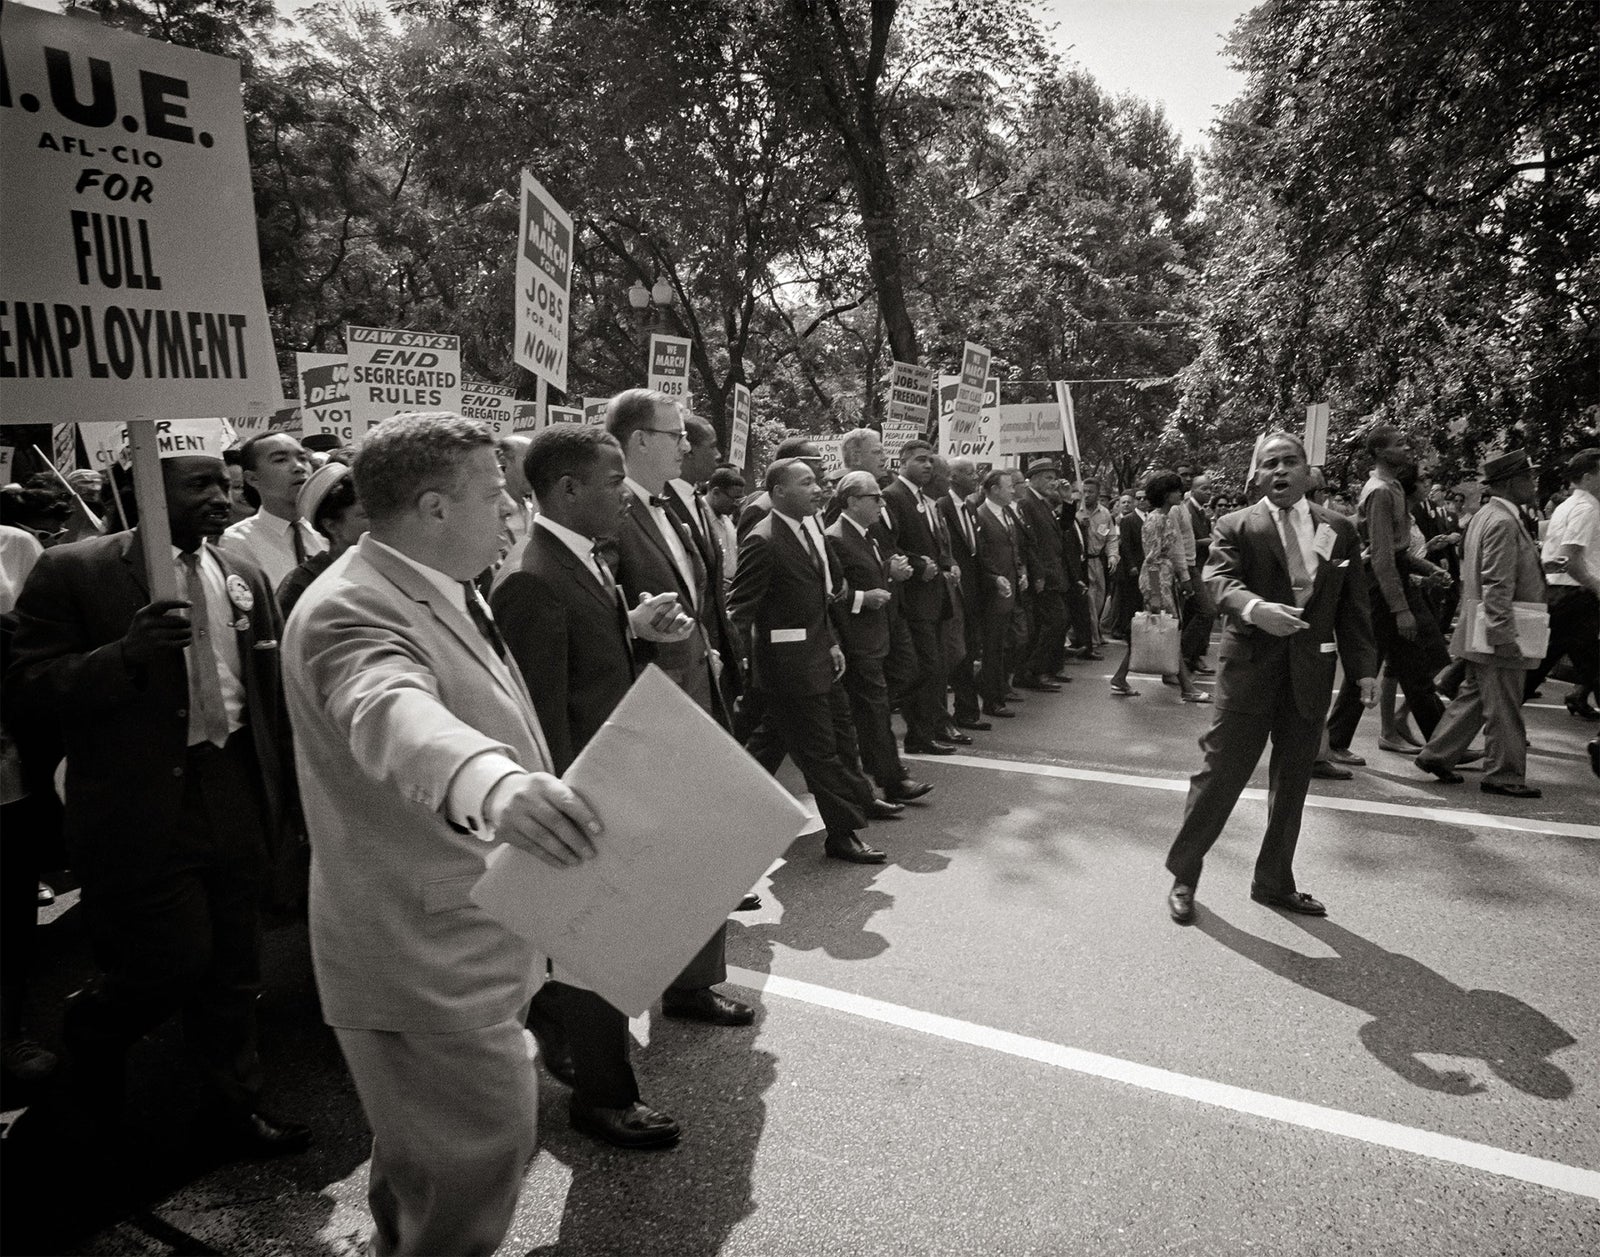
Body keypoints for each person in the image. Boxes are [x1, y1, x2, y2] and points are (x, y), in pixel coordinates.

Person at [284, 413, 603, 1255]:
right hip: (420, 957)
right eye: (497, 493)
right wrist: (494, 783)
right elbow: (389, 707)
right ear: (432, 508)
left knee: (428, 1161)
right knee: (477, 1162)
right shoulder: (349, 606)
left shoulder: (430, 582)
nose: (512, 512)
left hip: (465, 937)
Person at [7, 427, 309, 1155]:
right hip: (139, 802)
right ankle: (92, 1041)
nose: (218, 498)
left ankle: (232, 1107)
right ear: (141, 485)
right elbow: (25, 689)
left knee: (235, 966)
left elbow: (267, 698)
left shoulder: (241, 567)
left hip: (233, 786)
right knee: (171, 959)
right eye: (195, 484)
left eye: (222, 483)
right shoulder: (72, 569)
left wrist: (283, 799)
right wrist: (125, 656)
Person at [492, 424, 698, 1151]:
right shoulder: (532, 575)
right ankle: (604, 1098)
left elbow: (584, 662)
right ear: (567, 489)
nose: (626, 493)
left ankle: (571, 1038)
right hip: (583, 798)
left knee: (597, 950)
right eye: (613, 480)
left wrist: (635, 628)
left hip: (611, 784)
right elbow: (539, 720)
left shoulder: (580, 560)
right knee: (591, 950)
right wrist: (575, 813)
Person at [1164, 432, 1377, 925]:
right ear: (1256, 475)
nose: (1279, 471)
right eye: (1269, 464)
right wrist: (1256, 610)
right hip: (1249, 673)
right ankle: (1185, 873)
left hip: (1309, 674)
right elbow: (1217, 583)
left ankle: (1274, 881)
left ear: (1308, 471)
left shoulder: (1339, 530)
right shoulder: (1235, 525)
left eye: (1289, 462)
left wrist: (1364, 671)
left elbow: (1353, 606)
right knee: (1220, 776)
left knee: (1293, 782)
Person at [605, 389, 753, 1025]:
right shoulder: (608, 516)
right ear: (640, 440)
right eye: (675, 435)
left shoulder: (677, 507)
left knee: (706, 844)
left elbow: (703, 599)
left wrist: (715, 654)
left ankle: (694, 983)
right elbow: (599, 615)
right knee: (663, 856)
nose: (687, 445)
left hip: (701, 691)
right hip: (651, 710)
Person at [730, 458, 884, 863]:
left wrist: (831, 642)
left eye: (817, 482)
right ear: (780, 492)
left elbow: (816, 599)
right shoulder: (762, 540)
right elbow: (740, 611)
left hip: (819, 658)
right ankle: (842, 834)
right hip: (789, 670)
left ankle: (729, 809)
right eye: (807, 483)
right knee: (820, 752)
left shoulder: (806, 529)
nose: (818, 489)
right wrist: (739, 665)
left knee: (779, 745)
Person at [1415, 450, 1548, 797]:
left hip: (1479, 625)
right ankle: (1503, 774)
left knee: (1474, 696)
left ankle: (1438, 754)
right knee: (1504, 704)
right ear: (1510, 483)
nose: (1533, 484)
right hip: (1496, 628)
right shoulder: (1502, 521)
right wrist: (1502, 633)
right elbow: (1496, 583)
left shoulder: (1486, 517)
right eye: (1528, 478)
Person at [1324, 424, 1445, 766]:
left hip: (1391, 584)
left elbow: (1398, 551)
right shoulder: (1379, 491)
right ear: (1379, 452)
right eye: (1399, 443)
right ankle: (1334, 741)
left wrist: (1427, 569)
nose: (1407, 448)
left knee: (1416, 670)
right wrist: (1401, 608)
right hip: (1380, 590)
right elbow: (1381, 557)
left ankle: (1444, 745)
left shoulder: (1392, 488)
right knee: (1368, 665)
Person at [826, 470, 933, 805]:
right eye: (875, 497)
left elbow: (867, 574)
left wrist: (889, 572)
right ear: (853, 500)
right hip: (859, 640)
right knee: (872, 710)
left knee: (890, 692)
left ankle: (875, 758)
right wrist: (863, 598)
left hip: (879, 634)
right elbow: (832, 593)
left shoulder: (867, 535)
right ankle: (892, 779)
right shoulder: (836, 538)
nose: (881, 503)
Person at [882, 440, 958, 753]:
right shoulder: (892, 496)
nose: (928, 466)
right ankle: (918, 734)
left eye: (930, 461)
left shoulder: (923, 499)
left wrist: (946, 564)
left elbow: (933, 545)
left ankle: (923, 733)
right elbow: (889, 544)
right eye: (920, 460)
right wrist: (916, 563)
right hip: (912, 599)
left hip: (933, 597)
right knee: (924, 668)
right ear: (902, 462)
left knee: (934, 668)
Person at [1109, 470, 1210, 703]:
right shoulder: (1156, 519)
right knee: (1169, 631)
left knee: (1157, 629)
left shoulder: (1162, 517)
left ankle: (1120, 677)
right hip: (1156, 579)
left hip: (1163, 578)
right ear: (1165, 494)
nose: (1180, 493)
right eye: (1176, 490)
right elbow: (1152, 559)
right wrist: (1155, 592)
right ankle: (1187, 687)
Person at [1524, 448, 1599, 718]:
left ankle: (1493, 721)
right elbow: (1571, 557)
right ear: (1589, 477)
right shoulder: (1587, 508)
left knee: (1536, 667)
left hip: (1559, 592)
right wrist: (1596, 586)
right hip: (1576, 595)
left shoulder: (1567, 505)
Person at [219, 432, 325, 589]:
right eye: (281, 460)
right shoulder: (235, 543)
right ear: (252, 478)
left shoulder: (330, 532)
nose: (299, 467)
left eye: (303, 459)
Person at [276, 461, 370, 618]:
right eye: (366, 515)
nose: (379, 521)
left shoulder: (388, 569)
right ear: (331, 526)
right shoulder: (302, 584)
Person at [939, 457, 989, 731]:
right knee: (956, 654)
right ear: (953, 477)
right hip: (952, 592)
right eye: (969, 473)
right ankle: (956, 712)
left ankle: (967, 711)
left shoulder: (969, 507)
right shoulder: (942, 506)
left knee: (969, 652)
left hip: (971, 592)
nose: (976, 477)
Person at [973, 469, 1024, 719]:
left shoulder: (1008, 512)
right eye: (1008, 486)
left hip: (1010, 587)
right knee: (993, 647)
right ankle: (992, 699)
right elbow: (982, 554)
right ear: (994, 489)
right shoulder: (981, 515)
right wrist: (995, 578)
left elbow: (1013, 547)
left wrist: (1020, 570)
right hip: (994, 592)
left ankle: (992, 685)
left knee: (1006, 643)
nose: (1013, 490)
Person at [1014, 459, 1069, 689]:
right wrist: (1038, 573)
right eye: (1047, 477)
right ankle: (1032, 671)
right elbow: (1030, 543)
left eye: (1054, 477)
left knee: (1055, 621)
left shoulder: (1044, 503)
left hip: (1054, 573)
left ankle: (1043, 668)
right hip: (1043, 574)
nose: (1053, 482)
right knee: (1055, 620)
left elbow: (1062, 530)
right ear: (1032, 479)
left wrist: (1067, 500)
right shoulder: (1027, 503)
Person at [736, 435, 822, 537]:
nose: (823, 467)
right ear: (794, 463)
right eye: (816, 461)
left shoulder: (806, 508)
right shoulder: (762, 509)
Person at [1180, 471, 1217, 674]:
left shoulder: (1203, 512)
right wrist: (1206, 542)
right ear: (1192, 490)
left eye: (1210, 488)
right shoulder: (1187, 511)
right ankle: (1183, 655)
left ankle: (1194, 657)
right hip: (1191, 569)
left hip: (1203, 567)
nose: (1208, 492)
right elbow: (1183, 542)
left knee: (1196, 613)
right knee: (1207, 611)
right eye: (1204, 488)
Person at [1079, 478, 1114, 651]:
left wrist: (1113, 556)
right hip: (1082, 562)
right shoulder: (1076, 511)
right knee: (1089, 601)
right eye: (1083, 491)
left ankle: (1094, 632)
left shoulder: (1105, 514)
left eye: (1090, 492)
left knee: (1099, 600)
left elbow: (1111, 537)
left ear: (1098, 493)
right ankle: (1092, 639)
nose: (1086, 495)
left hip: (1098, 562)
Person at [705, 466, 746, 586]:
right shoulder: (700, 521)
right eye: (734, 499)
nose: (736, 505)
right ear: (715, 493)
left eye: (740, 500)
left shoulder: (727, 521)